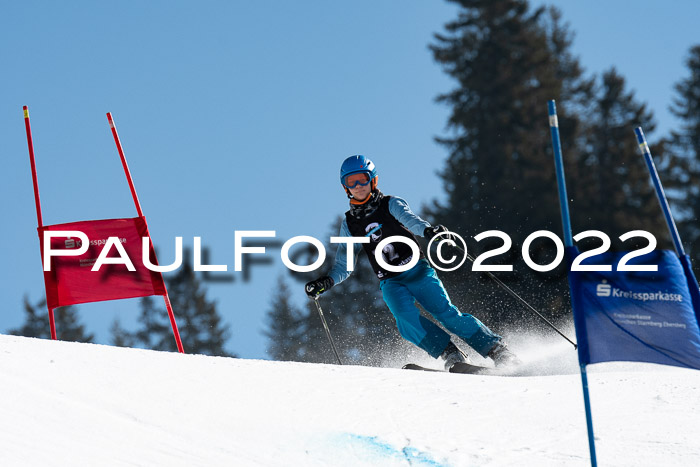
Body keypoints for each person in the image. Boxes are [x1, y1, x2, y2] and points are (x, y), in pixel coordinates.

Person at [305, 155, 519, 370]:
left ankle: (496, 349)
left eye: (363, 179)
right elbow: (345, 264)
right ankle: (451, 353)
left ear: (373, 180)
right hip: (390, 280)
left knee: (446, 314)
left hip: (417, 270)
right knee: (404, 319)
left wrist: (429, 231)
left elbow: (411, 220)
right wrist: (327, 282)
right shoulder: (350, 224)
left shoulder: (390, 204)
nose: (358, 185)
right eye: (352, 182)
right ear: (345, 187)